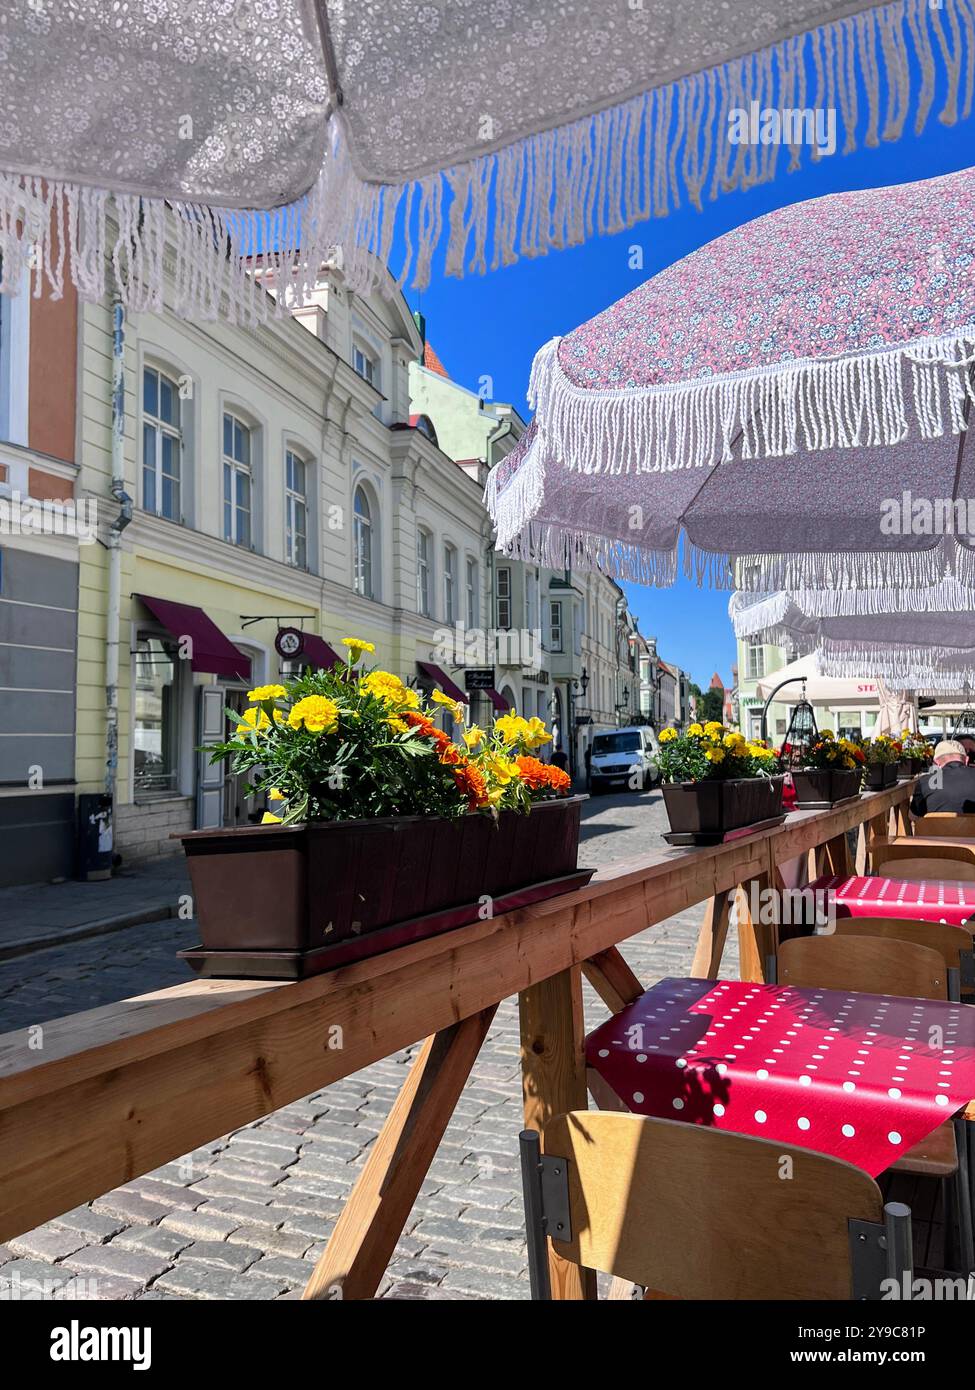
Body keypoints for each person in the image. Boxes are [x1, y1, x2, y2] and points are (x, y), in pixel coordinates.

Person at [910, 739, 975, 815]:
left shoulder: (925, 782)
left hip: (936, 826)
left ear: (936, 762)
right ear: (966, 760)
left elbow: (913, 816)